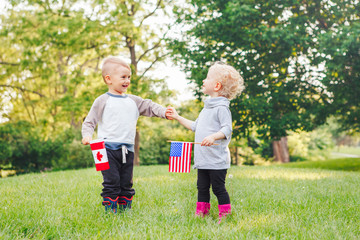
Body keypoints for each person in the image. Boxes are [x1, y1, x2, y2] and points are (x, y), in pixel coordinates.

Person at [82, 56, 169, 214]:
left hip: (127, 149)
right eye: (123, 77)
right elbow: (89, 122)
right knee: (111, 181)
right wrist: (87, 135)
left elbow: (149, 106)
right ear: (108, 79)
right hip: (105, 148)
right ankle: (111, 211)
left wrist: (164, 112)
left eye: (129, 77)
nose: (127, 80)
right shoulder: (102, 100)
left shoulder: (133, 101)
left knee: (126, 182)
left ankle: (125, 209)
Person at [166, 62, 245, 223]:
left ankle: (225, 214)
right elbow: (195, 126)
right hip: (203, 160)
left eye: (207, 78)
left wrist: (213, 137)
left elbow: (227, 129)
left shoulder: (221, 108)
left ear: (216, 85)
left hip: (216, 161)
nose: (203, 81)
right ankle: (201, 213)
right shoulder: (207, 108)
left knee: (218, 188)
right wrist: (177, 117)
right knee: (201, 188)